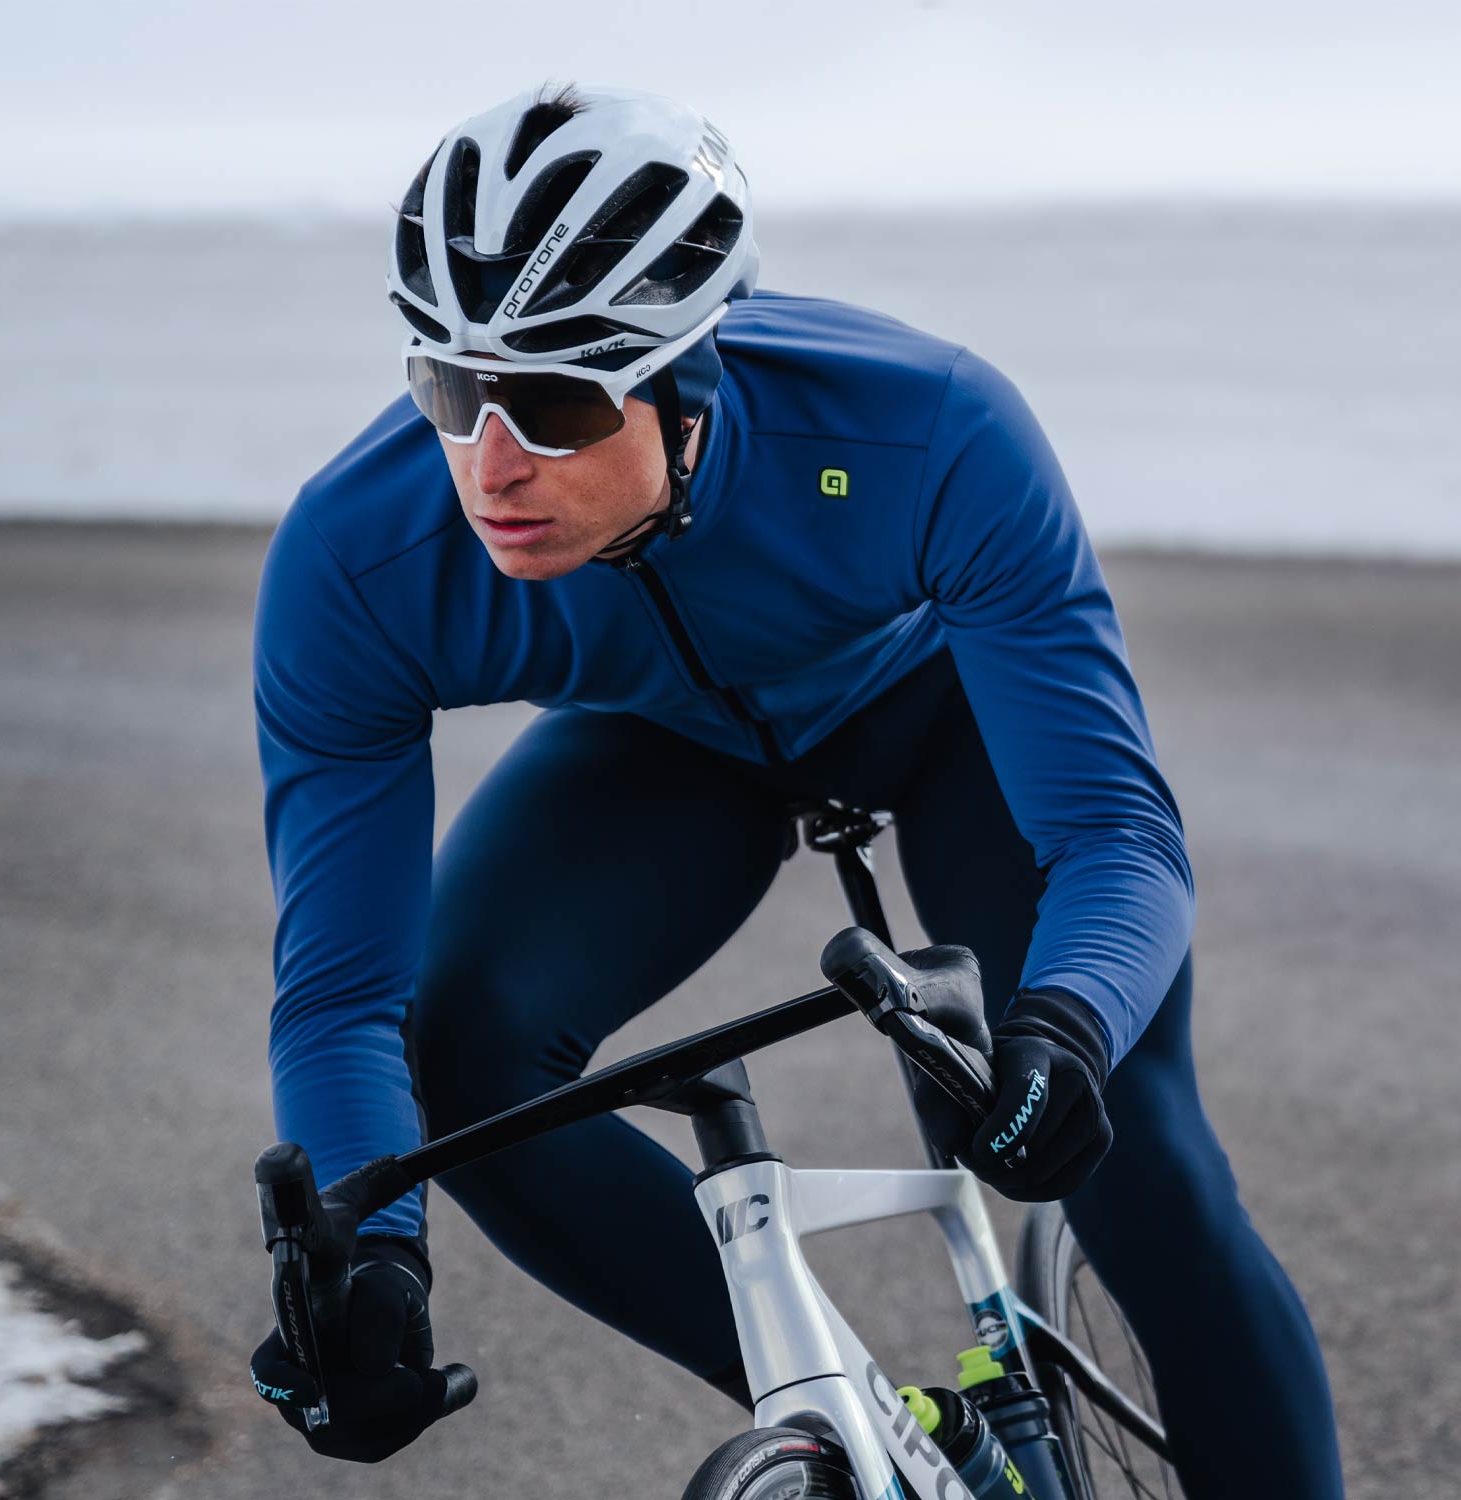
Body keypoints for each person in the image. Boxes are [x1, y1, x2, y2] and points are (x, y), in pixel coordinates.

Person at [248, 83, 1343, 1493]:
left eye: (556, 400)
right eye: (449, 389)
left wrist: (1068, 1027)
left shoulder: (928, 428)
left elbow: (1113, 833)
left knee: (1139, 1169)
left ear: (688, 383)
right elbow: (344, 996)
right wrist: (367, 1247)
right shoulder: (359, 563)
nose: (489, 463)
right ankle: (852, 1415)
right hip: (666, 749)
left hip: (942, 717)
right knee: (457, 1055)